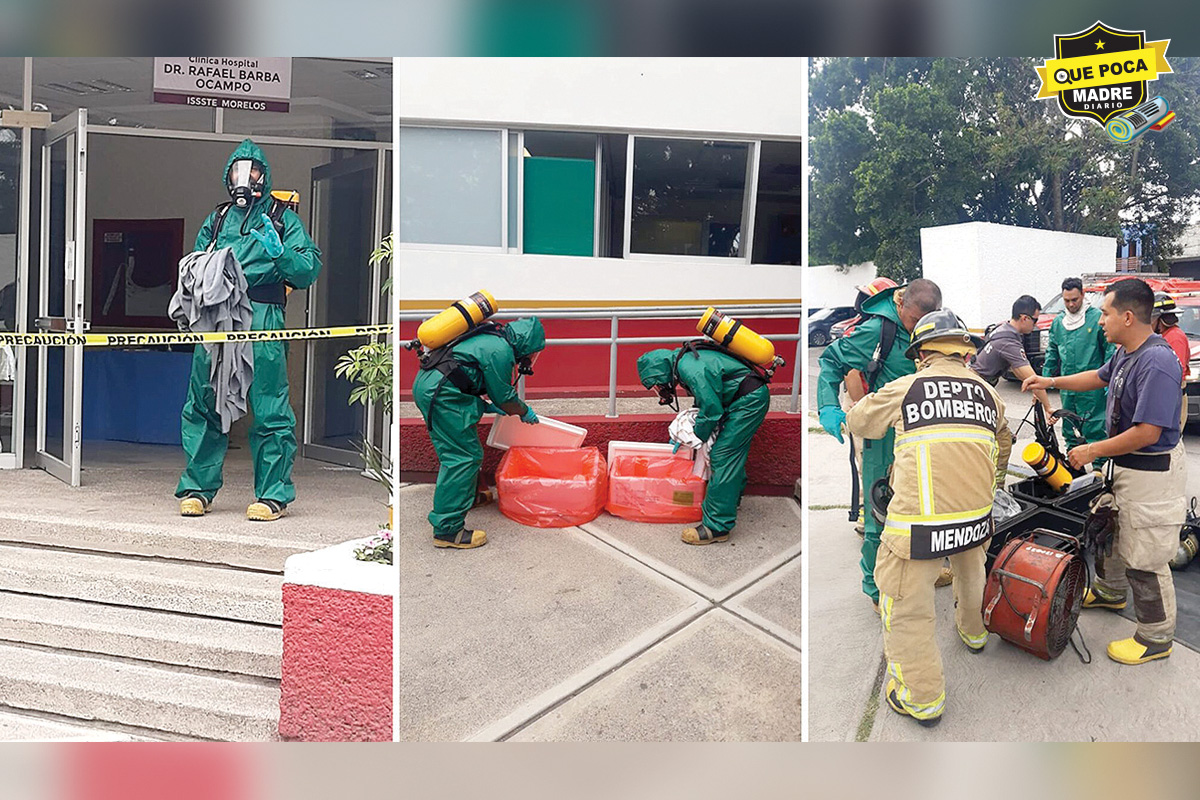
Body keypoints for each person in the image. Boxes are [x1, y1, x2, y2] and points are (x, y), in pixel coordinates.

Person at [845, 308, 1010, 727]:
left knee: (906, 607)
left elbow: (860, 422)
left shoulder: (908, 387)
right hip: (976, 518)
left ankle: (921, 698)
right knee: (972, 574)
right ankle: (975, 634)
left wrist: (852, 393)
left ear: (921, 354)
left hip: (918, 526)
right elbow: (1003, 442)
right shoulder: (990, 395)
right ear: (965, 352)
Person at [1022, 278, 1186, 665]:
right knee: (1109, 531)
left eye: (1107, 314)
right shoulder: (1128, 353)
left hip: (1150, 472)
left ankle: (1155, 638)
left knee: (1145, 555)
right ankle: (1112, 593)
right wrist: (1051, 381)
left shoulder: (1157, 361)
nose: (1100, 322)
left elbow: (1149, 432)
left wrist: (1092, 450)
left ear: (1128, 317)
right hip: (1124, 467)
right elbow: (1098, 377)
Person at [176, 139, 321, 522]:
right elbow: (196, 266)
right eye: (238, 170)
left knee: (269, 404)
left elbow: (307, 270)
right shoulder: (219, 218)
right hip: (217, 317)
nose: (246, 178)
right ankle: (196, 489)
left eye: (253, 170)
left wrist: (280, 253)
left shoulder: (282, 218)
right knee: (204, 400)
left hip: (262, 314)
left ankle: (272, 494)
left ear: (264, 175)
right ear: (228, 176)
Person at [817, 278, 943, 608]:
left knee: (923, 506)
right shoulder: (879, 330)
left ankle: (924, 568)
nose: (918, 329)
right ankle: (876, 589)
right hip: (883, 435)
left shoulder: (933, 328)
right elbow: (831, 360)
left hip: (921, 433)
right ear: (901, 305)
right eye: (913, 321)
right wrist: (828, 405)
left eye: (924, 323)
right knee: (878, 513)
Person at [413, 317, 545, 549]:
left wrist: (485, 405)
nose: (532, 359)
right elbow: (504, 396)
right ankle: (447, 530)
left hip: (437, 390)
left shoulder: (491, 338)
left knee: (466, 451)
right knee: (462, 458)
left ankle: (469, 497)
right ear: (527, 346)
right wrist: (523, 411)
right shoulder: (501, 351)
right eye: (534, 353)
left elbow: (463, 374)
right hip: (442, 395)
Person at [636, 342, 770, 545]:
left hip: (747, 403)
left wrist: (697, 435)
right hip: (743, 399)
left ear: (660, 372)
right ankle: (731, 498)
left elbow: (711, 409)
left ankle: (716, 527)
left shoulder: (689, 369)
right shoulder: (684, 360)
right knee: (732, 452)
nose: (660, 389)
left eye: (657, 383)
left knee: (723, 456)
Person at [1042, 278, 1113, 459]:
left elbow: (1109, 351)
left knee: (1095, 426)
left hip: (1093, 387)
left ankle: (1099, 466)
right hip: (1068, 386)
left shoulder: (1097, 318)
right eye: (1067, 301)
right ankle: (1073, 462)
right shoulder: (1058, 322)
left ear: (1082, 294)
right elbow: (1052, 353)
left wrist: (1107, 383)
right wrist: (1043, 382)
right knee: (1069, 425)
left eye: (1075, 299)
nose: (1071, 304)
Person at [972, 294, 1053, 416]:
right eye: (1035, 320)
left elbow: (1019, 371)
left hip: (975, 384)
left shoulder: (1002, 329)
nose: (1036, 325)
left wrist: (1035, 392)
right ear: (1024, 318)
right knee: (1001, 431)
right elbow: (1032, 378)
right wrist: (1048, 408)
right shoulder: (1008, 342)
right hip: (977, 389)